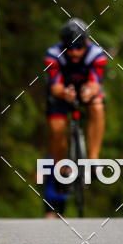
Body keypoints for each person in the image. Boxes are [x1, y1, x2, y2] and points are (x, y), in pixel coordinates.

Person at [43, 18, 107, 218]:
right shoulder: (53, 54)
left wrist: (89, 92)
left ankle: (93, 158)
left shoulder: (97, 54)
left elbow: (96, 83)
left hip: (86, 91)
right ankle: (62, 168)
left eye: (79, 47)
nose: (74, 53)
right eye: (70, 48)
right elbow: (55, 86)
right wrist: (64, 93)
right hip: (61, 93)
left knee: (97, 105)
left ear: (86, 43)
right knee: (56, 128)